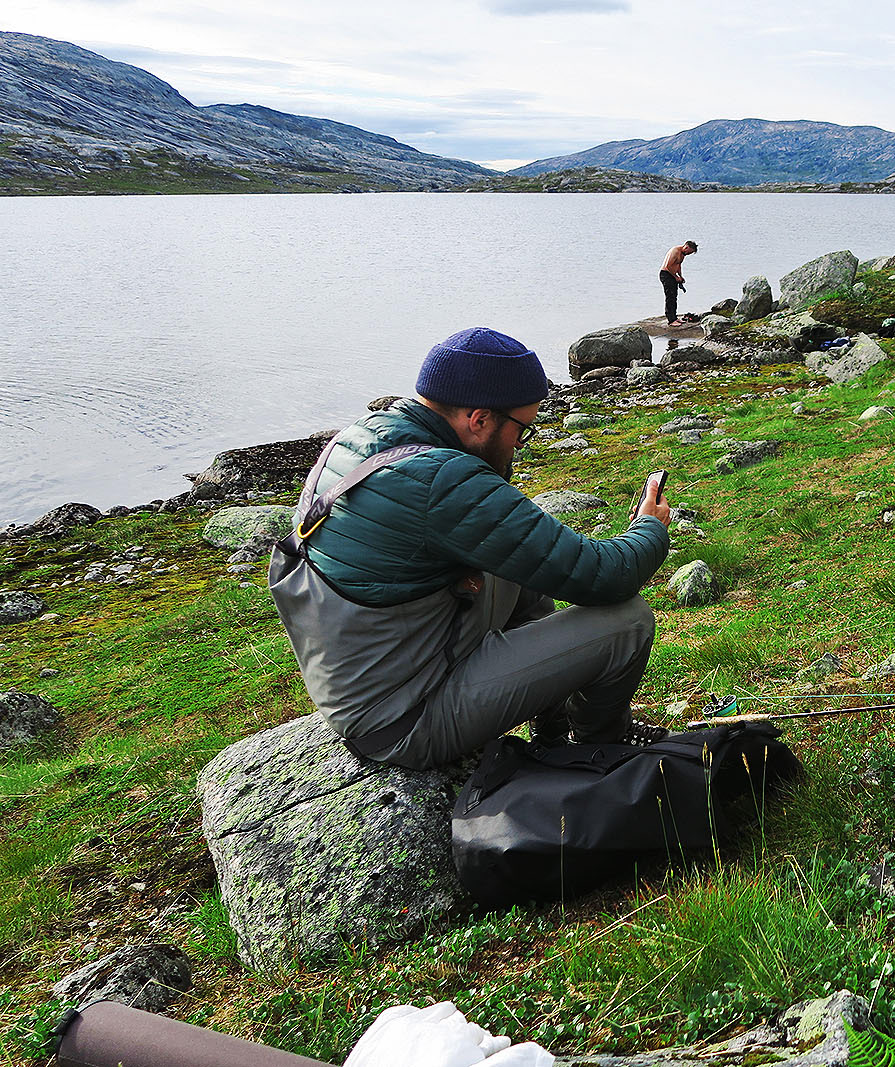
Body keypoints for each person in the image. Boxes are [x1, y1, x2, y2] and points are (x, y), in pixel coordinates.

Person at [269, 326, 673, 770]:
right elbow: (604, 576)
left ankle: (555, 726)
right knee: (627, 622)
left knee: (516, 555)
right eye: (523, 430)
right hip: (406, 720)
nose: (521, 444)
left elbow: (525, 550)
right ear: (478, 419)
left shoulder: (365, 438)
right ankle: (600, 748)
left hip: (380, 676)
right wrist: (649, 529)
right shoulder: (439, 480)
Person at [660, 240, 697, 325]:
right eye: (689, 252)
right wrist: (675, 277)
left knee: (674, 296)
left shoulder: (682, 254)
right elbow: (668, 266)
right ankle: (671, 320)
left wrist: (680, 276)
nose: (689, 254)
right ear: (686, 247)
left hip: (672, 275)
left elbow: (678, 265)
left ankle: (674, 317)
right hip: (666, 274)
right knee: (670, 297)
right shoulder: (675, 251)